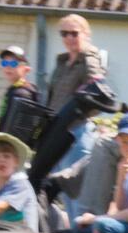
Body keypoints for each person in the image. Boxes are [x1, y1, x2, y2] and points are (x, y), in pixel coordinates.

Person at [44, 14, 108, 182]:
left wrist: (79, 114)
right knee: (57, 188)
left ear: (86, 34)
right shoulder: (62, 62)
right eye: (64, 34)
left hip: (77, 132)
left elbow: (100, 95)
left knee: (75, 192)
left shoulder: (90, 59)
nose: (69, 38)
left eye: (74, 33)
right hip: (57, 131)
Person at [0, 45, 39, 119]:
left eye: (13, 64)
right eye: (4, 63)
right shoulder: (15, 89)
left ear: (25, 69)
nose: (8, 67)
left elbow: (18, 126)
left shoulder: (21, 94)